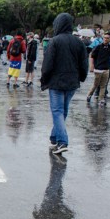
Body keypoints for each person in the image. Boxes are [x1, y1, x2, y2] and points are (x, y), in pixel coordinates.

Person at [40, 13, 88, 155]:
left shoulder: (54, 42)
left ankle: (62, 141)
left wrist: (44, 79)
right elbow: (83, 64)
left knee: (57, 111)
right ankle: (54, 138)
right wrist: (81, 78)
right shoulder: (78, 42)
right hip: (72, 82)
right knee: (63, 111)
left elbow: (47, 64)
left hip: (56, 82)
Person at [87, 32, 110, 105]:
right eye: (104, 38)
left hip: (106, 69)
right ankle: (89, 95)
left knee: (103, 85)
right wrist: (91, 66)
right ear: (103, 38)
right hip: (98, 69)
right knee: (96, 85)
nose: (106, 39)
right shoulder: (98, 47)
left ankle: (101, 100)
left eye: (107, 38)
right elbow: (91, 56)